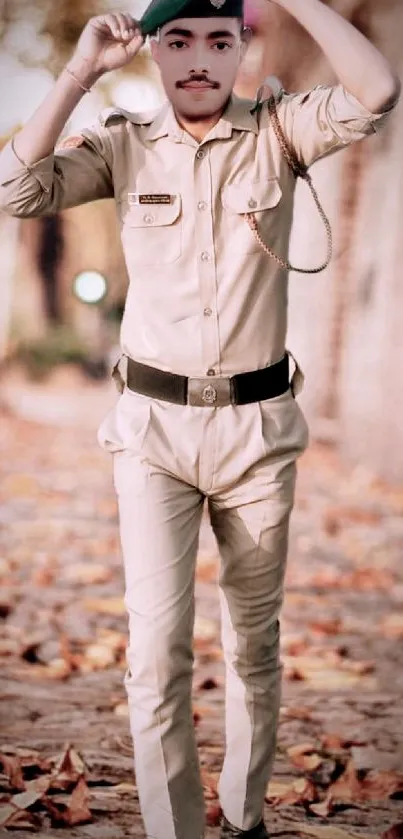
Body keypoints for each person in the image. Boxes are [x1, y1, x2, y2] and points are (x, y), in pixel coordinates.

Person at [0, 1, 400, 837]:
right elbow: (16, 188)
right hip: (154, 435)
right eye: (177, 40)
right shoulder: (121, 142)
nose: (197, 60)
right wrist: (79, 73)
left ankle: (245, 817)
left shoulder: (282, 132)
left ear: (238, 49)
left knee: (254, 646)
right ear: (152, 50)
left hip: (257, 437)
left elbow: (377, 88)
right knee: (156, 654)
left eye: (219, 41)